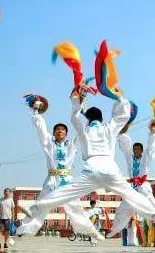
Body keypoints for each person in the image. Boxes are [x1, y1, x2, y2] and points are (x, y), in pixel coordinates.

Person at [22, 90, 155, 240]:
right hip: (110, 168)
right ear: (101, 119)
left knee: (65, 194)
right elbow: (122, 117)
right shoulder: (108, 127)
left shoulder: (84, 130)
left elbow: (75, 118)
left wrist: (79, 100)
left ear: (87, 120)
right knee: (134, 197)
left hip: (91, 169)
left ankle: (37, 207)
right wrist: (118, 97)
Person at [17, 99, 101, 240]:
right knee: (41, 205)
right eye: (57, 129)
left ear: (66, 133)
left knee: (74, 206)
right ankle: (24, 229)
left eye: (62, 129)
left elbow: (82, 130)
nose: (60, 131)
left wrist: (83, 109)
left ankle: (89, 230)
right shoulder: (48, 143)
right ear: (54, 133)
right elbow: (40, 128)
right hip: (51, 180)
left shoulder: (71, 144)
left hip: (67, 180)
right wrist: (36, 110)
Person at [111, 121, 155, 238]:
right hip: (132, 187)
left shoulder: (145, 158)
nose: (135, 151)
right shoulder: (130, 157)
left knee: (153, 207)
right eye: (134, 149)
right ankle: (116, 228)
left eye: (138, 149)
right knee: (124, 207)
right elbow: (125, 146)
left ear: (141, 150)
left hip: (143, 186)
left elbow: (151, 148)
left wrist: (153, 134)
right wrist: (123, 132)